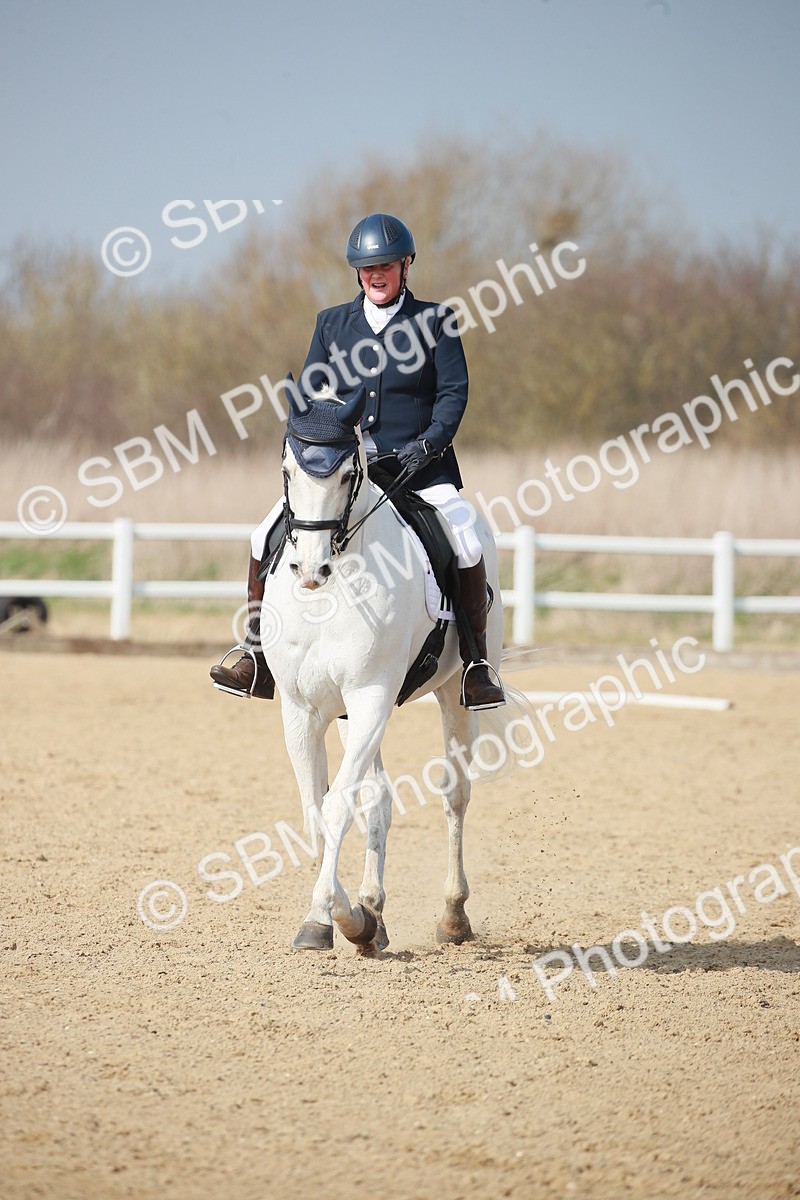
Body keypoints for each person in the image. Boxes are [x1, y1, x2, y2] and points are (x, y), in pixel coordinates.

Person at [210, 212, 504, 709]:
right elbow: (310, 399)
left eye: (387, 265)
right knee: (263, 534)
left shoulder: (435, 322)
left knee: (468, 542)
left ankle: (476, 662)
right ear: (357, 272)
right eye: (369, 268)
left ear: (406, 266)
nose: (377, 274)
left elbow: (453, 393)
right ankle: (256, 652)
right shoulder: (331, 324)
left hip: (420, 469)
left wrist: (428, 444)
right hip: (348, 471)